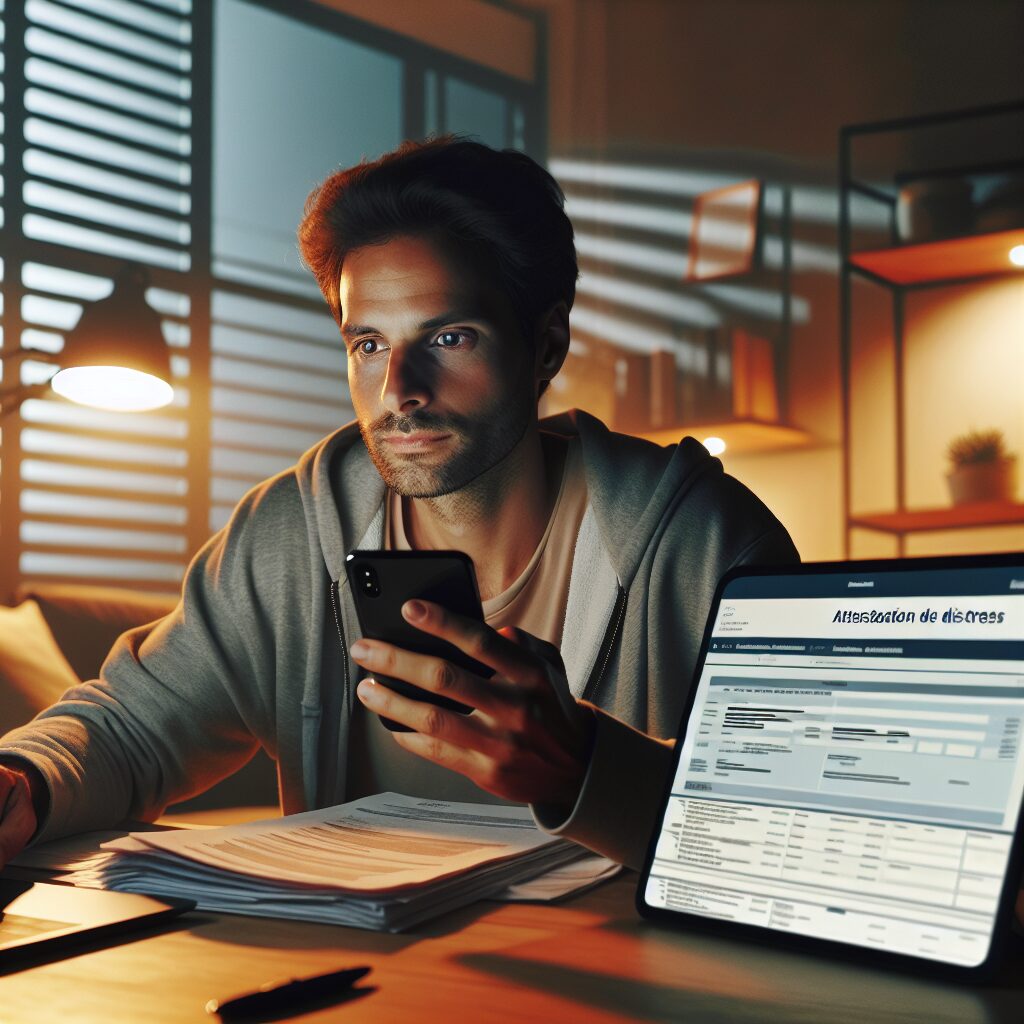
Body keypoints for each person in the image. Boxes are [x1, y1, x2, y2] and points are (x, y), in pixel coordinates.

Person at [0, 137, 797, 874]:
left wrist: (586, 767)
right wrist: (25, 780)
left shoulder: (704, 542)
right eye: (369, 344)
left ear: (545, 346)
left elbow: (801, 833)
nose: (400, 391)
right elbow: (136, 727)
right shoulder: (286, 535)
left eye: (450, 338)